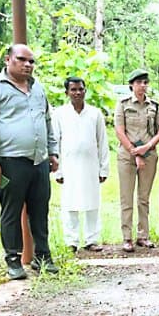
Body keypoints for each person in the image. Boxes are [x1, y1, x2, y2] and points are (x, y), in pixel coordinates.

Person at [0, 43, 59, 280]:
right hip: (9, 162)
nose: (28, 65)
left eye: (31, 61)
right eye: (22, 60)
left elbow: (47, 121)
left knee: (40, 211)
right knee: (11, 212)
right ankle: (13, 260)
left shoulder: (37, 88)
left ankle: (43, 256)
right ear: (8, 60)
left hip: (39, 161)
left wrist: (52, 152)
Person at [52, 77, 110, 253]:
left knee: (92, 203)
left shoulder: (95, 113)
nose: (77, 93)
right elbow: (55, 141)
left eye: (80, 89)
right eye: (73, 90)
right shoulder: (60, 114)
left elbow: (102, 141)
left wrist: (104, 168)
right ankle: (72, 241)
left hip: (91, 165)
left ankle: (91, 240)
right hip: (68, 166)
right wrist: (58, 170)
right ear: (67, 92)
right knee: (70, 204)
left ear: (85, 91)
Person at [114, 68, 159, 252]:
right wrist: (135, 153)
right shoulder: (123, 104)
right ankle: (127, 237)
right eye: (140, 82)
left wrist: (146, 148)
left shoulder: (154, 106)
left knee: (144, 197)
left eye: (145, 82)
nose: (143, 86)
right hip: (127, 156)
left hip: (149, 155)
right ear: (132, 85)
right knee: (126, 198)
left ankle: (143, 235)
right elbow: (119, 131)